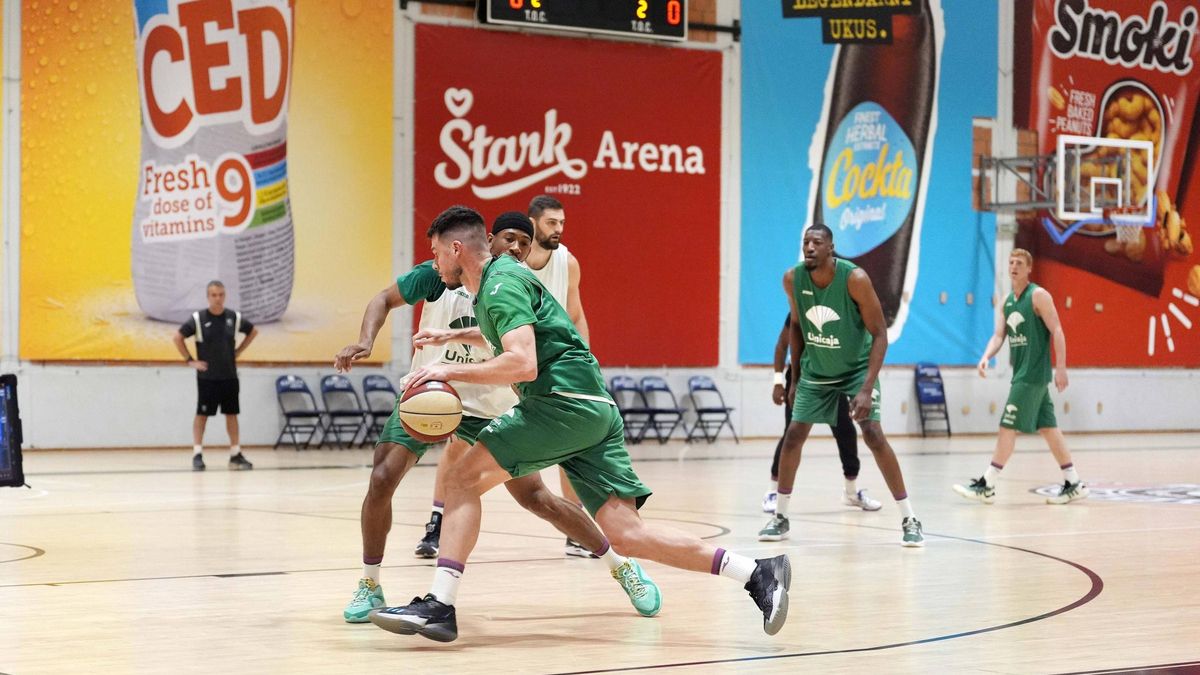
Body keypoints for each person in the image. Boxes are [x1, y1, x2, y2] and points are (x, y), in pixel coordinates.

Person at [369, 206, 791, 642]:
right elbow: (525, 332)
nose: (435, 264)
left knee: (460, 478)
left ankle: (440, 604)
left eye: (437, 253)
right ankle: (757, 572)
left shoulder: (498, 286)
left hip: (560, 404)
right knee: (628, 535)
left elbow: (523, 362)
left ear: (456, 249)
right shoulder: (500, 282)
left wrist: (446, 370)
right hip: (592, 406)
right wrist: (453, 337)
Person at [335, 211, 662, 624]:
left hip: (488, 401)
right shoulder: (440, 273)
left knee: (537, 499)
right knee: (382, 478)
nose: (517, 248)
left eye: (524, 243)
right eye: (510, 239)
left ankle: (621, 565)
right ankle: (370, 583)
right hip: (433, 394)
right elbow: (383, 298)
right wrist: (366, 341)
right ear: (487, 241)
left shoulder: (510, 284)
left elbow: (524, 352)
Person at [759, 224, 923, 547]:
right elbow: (796, 326)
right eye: (805, 241)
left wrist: (865, 388)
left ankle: (910, 517)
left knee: (873, 434)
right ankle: (780, 516)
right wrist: (793, 377)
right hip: (817, 373)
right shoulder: (793, 279)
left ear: (831, 248)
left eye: (816, 242)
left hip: (856, 371)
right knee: (793, 436)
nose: (809, 247)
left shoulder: (855, 279)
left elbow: (880, 334)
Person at [953, 248, 1088, 505]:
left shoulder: (1038, 296)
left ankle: (988, 484)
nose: (1014, 266)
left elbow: (1057, 330)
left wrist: (1061, 367)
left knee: (1007, 426)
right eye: (1011, 262)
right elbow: (998, 335)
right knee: (1049, 428)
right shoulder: (1007, 301)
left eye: (1019, 263)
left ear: (1029, 269)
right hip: (1022, 374)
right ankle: (1073, 482)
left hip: (1033, 375)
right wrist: (985, 357)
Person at [525, 194, 595, 557]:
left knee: (572, 446)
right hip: (512, 364)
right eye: (552, 222)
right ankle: (438, 521)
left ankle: (576, 529)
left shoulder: (567, 262)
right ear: (533, 221)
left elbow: (576, 314)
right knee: (463, 447)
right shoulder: (512, 260)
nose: (559, 229)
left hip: (552, 369)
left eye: (562, 223)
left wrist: (583, 359)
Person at [764, 314, 880, 514]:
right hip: (802, 378)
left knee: (846, 431)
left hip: (831, 377)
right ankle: (773, 491)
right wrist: (777, 382)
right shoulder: (798, 312)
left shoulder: (840, 313)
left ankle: (851, 492)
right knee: (791, 435)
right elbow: (782, 346)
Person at [173, 280, 257, 471]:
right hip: (207, 378)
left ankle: (235, 454)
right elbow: (177, 337)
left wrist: (239, 351)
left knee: (232, 414)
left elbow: (253, 331)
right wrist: (190, 360)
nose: (217, 298)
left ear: (225, 296)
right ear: (208, 296)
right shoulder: (198, 319)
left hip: (229, 375)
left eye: (221, 295)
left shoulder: (233, 318)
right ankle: (197, 453)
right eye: (214, 295)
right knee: (202, 414)